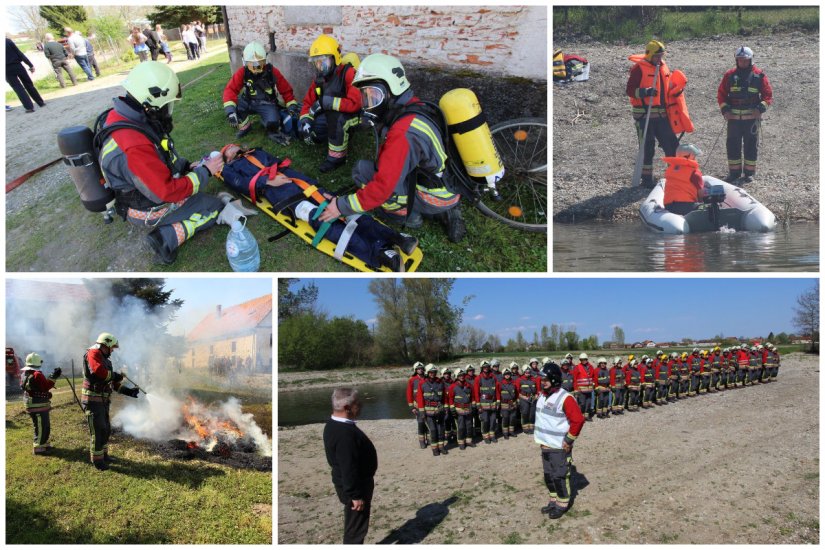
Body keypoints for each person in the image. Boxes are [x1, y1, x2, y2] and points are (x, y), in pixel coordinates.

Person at [318, 53, 466, 242]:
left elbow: (382, 187)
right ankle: (443, 208)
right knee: (367, 169)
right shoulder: (414, 107)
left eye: (373, 96)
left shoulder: (403, 132)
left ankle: (408, 215)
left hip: (436, 194)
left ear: (390, 90)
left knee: (362, 173)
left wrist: (341, 206)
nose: (368, 105)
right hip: (447, 183)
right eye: (365, 97)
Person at [97, 61, 228, 265]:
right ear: (150, 106)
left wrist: (185, 166)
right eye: (166, 105)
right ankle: (165, 238)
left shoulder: (127, 116)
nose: (169, 110)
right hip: (145, 206)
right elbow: (166, 192)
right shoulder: (134, 145)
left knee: (197, 193)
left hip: (141, 192)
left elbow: (158, 159)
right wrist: (206, 172)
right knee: (214, 206)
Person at [218, 143, 419, 272]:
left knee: (345, 211)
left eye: (233, 145)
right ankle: (382, 253)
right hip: (283, 195)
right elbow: (241, 185)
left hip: (301, 183)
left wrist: (287, 175)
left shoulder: (257, 151)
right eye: (227, 149)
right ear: (226, 157)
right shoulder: (230, 169)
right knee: (322, 218)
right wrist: (268, 183)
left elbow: (278, 163)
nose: (231, 147)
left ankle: (397, 239)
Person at [322, 387, 378, 544]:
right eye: (357, 403)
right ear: (347, 407)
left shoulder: (334, 424)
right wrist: (355, 495)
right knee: (356, 530)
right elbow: (348, 466)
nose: (360, 406)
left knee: (355, 525)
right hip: (356, 486)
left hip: (353, 483)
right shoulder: (344, 434)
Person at [82, 333, 140, 470]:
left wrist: (129, 391)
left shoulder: (106, 360)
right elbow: (99, 372)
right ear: (105, 345)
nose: (112, 350)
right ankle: (97, 461)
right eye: (111, 347)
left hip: (103, 400)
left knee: (106, 429)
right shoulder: (93, 353)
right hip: (93, 400)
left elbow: (111, 383)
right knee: (98, 430)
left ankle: (104, 455)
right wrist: (115, 375)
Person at [626, 39, 679, 188]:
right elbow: (630, 90)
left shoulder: (663, 67)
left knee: (672, 144)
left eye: (661, 56)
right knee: (647, 147)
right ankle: (647, 179)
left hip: (662, 115)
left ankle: (675, 175)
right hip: (644, 115)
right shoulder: (638, 69)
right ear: (649, 55)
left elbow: (667, 88)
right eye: (657, 56)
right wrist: (645, 92)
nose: (659, 59)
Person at [534, 362, 584, 519]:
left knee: (559, 475)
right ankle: (553, 501)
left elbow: (578, 420)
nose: (542, 383)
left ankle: (562, 504)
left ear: (554, 380)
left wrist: (568, 440)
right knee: (549, 475)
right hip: (545, 445)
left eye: (545, 380)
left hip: (559, 447)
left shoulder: (565, 398)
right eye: (542, 380)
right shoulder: (543, 395)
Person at [223, 42, 299, 144]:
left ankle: (271, 130)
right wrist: (230, 111)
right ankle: (245, 126)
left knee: (273, 121)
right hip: (249, 101)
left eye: (259, 63)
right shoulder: (242, 72)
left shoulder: (271, 71)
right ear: (245, 62)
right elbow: (230, 89)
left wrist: (291, 104)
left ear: (265, 60)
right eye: (252, 64)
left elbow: (285, 88)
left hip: (267, 104)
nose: (256, 68)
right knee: (234, 106)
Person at [717, 46, 773, 184]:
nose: (743, 62)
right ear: (736, 60)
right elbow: (721, 94)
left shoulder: (759, 75)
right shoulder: (729, 75)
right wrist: (725, 110)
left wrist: (760, 108)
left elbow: (768, 95)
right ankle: (734, 173)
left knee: (751, 145)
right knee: (732, 145)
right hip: (734, 119)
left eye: (745, 60)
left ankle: (749, 173)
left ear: (750, 60)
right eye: (740, 60)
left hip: (751, 119)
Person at [21, 353, 61, 455]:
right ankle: (39, 448)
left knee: (43, 425)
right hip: (37, 405)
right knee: (41, 426)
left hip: (33, 404)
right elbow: (46, 386)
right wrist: (54, 376)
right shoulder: (37, 374)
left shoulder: (24, 373)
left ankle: (43, 444)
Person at [5, 37, 45, 113]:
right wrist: (30, 64)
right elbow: (19, 53)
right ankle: (40, 102)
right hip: (17, 65)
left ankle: (29, 107)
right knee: (28, 84)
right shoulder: (7, 41)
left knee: (18, 88)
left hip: (6, 70)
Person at [663, 144, 705, 215]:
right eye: (695, 156)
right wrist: (702, 202)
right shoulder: (694, 173)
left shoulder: (671, 169)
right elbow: (701, 193)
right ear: (690, 156)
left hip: (668, 206)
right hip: (687, 206)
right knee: (710, 208)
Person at [416, 364, 447, 456]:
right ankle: (435, 449)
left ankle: (441, 447)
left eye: (434, 372)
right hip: (428, 412)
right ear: (427, 373)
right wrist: (422, 412)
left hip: (439, 410)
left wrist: (445, 408)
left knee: (441, 430)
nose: (432, 374)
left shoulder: (440, 382)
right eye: (430, 372)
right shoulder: (422, 383)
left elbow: (444, 397)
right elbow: (420, 399)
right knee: (433, 430)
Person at [473, 360, 499, 444]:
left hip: (493, 402)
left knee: (493, 420)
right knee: (485, 420)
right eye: (484, 367)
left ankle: (492, 435)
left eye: (487, 367)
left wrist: (498, 401)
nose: (486, 368)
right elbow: (476, 393)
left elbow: (497, 390)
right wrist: (478, 405)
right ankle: (485, 436)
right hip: (483, 403)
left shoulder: (493, 377)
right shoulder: (478, 378)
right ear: (482, 368)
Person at [447, 367, 474, 450]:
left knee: (469, 426)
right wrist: (452, 409)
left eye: (462, 375)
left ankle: (469, 441)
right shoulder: (452, 387)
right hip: (458, 410)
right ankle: (461, 442)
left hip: (468, 409)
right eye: (459, 375)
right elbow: (450, 399)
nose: (462, 377)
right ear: (456, 376)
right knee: (461, 427)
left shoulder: (469, 385)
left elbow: (472, 397)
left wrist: (473, 405)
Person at [406, 362, 428, 449]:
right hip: (418, 406)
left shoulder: (427, 378)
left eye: (421, 368)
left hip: (428, 405)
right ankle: (422, 442)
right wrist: (412, 407)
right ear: (415, 370)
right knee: (421, 423)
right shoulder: (412, 380)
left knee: (429, 423)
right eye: (418, 369)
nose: (420, 370)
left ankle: (429, 440)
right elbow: (409, 394)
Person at [517, 362, 538, 434]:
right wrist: (524, 398)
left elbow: (537, 390)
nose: (528, 373)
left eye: (529, 372)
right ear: (523, 372)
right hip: (524, 399)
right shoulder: (519, 380)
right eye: (526, 372)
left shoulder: (534, 379)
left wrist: (536, 396)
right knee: (525, 413)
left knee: (532, 413)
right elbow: (517, 392)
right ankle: (525, 428)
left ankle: (531, 427)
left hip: (533, 398)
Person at [572, 353, 595, 421]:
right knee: (582, 403)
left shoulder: (591, 367)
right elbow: (575, 379)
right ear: (580, 360)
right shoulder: (577, 367)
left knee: (588, 403)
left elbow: (593, 376)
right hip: (581, 390)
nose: (584, 361)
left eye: (585, 359)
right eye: (582, 359)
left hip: (589, 389)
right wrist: (576, 389)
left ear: (587, 359)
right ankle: (581, 416)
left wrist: (593, 384)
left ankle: (586, 416)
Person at [498, 365, 518, 439]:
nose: (507, 375)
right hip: (504, 404)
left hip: (512, 402)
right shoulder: (500, 383)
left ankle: (511, 431)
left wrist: (516, 400)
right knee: (505, 418)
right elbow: (498, 394)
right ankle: (505, 433)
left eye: (508, 374)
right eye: (506, 374)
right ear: (503, 375)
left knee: (512, 417)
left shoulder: (513, 382)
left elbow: (516, 392)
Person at [440, 367, 455, 443]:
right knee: (446, 420)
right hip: (444, 405)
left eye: (448, 374)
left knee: (454, 421)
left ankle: (455, 435)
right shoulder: (440, 383)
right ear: (442, 375)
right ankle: (448, 436)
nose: (447, 375)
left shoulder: (453, 382)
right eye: (445, 374)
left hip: (453, 404)